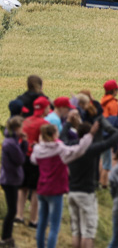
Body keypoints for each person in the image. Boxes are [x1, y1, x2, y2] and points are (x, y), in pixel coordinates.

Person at [31, 122, 97, 248]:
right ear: (55, 134)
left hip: (42, 188)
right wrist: (89, 136)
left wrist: (40, 143)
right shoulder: (59, 150)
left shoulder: (38, 150)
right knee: (54, 227)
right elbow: (78, 150)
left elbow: (33, 160)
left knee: (42, 224)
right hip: (55, 190)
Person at [68, 121, 118, 248]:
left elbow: (62, 136)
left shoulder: (71, 147)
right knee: (88, 232)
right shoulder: (90, 149)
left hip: (72, 191)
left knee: (76, 230)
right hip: (86, 193)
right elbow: (110, 142)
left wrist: (68, 123)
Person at [19, 96, 52, 229]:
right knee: (36, 190)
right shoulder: (44, 124)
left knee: (22, 188)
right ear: (44, 108)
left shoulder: (26, 121)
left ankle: (19, 216)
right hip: (36, 158)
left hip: (23, 156)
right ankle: (33, 219)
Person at [1, 116, 27, 248]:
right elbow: (20, 159)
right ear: (17, 128)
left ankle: (7, 237)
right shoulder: (11, 143)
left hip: (9, 178)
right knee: (12, 210)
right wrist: (25, 143)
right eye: (22, 127)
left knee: (12, 209)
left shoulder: (11, 140)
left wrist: (21, 141)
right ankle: (6, 237)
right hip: (10, 180)